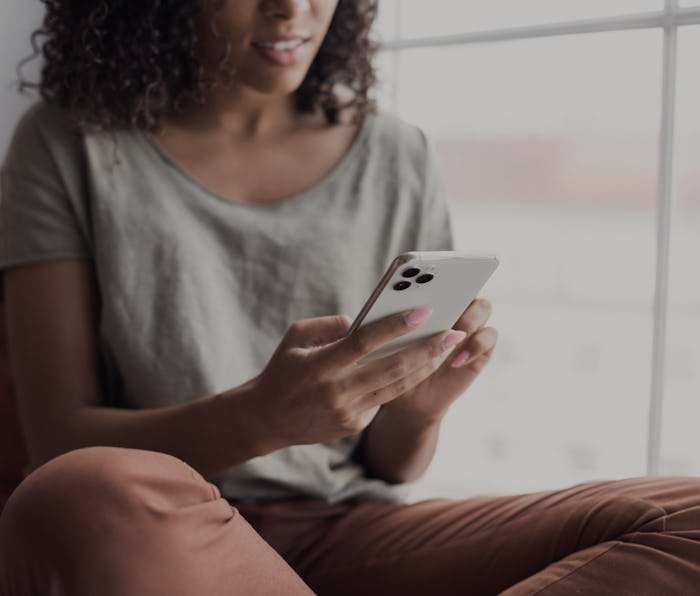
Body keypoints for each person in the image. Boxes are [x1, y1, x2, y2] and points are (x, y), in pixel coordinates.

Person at [0, 1, 699, 594]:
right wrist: (260, 417)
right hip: (160, 529)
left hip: (347, 532)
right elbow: (58, 440)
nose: (292, 6)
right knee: (78, 493)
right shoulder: (68, 143)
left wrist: (420, 412)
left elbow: (389, 465)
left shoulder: (398, 154)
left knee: (688, 515)